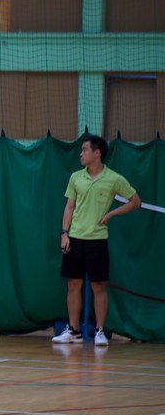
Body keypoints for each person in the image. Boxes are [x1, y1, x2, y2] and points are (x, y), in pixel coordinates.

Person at [53, 135, 141, 347]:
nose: (81, 154)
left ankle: (100, 332)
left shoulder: (113, 178)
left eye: (84, 150)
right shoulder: (76, 177)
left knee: (98, 286)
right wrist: (64, 233)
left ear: (97, 153)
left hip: (97, 240)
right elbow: (69, 207)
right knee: (73, 284)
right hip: (75, 238)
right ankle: (74, 331)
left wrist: (111, 214)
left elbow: (135, 201)